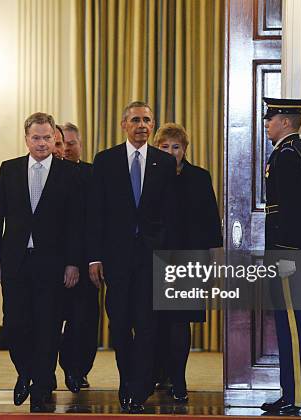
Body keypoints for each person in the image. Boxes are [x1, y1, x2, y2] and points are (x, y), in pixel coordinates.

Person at [0, 112, 82, 412]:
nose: (41, 143)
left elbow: (76, 223)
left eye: (47, 137)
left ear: (56, 139)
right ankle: (25, 372)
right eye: (36, 137)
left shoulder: (70, 173)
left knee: (48, 327)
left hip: (53, 264)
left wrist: (73, 262)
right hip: (16, 262)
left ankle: (40, 385)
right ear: (26, 139)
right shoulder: (9, 169)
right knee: (15, 325)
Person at [87, 101, 177, 413]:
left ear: (153, 126)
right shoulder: (106, 160)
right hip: (116, 259)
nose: (142, 125)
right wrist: (94, 257)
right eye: (136, 120)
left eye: (148, 120)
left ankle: (139, 387)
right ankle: (126, 382)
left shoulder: (164, 163)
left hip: (152, 258)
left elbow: (170, 214)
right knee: (121, 324)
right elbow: (95, 213)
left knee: (148, 324)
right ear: (124, 124)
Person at [260, 97, 301, 415]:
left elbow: (292, 211)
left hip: (290, 254)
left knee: (294, 327)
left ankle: (299, 398)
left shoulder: (288, 154)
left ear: (285, 121)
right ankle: (291, 394)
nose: (267, 123)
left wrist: (284, 254)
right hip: (291, 252)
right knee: (288, 325)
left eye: (271, 118)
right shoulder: (291, 152)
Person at [152, 123, 223, 403]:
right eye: (165, 146)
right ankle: (158, 374)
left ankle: (178, 378)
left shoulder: (199, 177)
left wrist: (216, 258)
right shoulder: (149, 176)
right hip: (155, 257)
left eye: (176, 147)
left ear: (185, 149)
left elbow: (210, 219)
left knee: (179, 322)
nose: (171, 152)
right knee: (154, 322)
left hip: (189, 258)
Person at [58, 122, 99, 392]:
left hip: (85, 262)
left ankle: (77, 370)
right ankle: (48, 371)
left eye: (73, 143)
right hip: (52, 261)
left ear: (80, 145)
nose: (68, 148)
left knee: (83, 322)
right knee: (49, 322)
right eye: (63, 143)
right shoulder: (47, 174)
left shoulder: (94, 174)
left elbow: (99, 219)